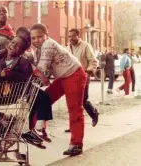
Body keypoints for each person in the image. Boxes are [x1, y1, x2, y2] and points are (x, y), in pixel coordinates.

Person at [31, 24, 87, 156]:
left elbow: (41, 68)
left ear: (47, 35)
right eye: (33, 38)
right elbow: (42, 73)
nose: (36, 40)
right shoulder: (39, 50)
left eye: (39, 36)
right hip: (63, 77)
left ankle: (76, 144)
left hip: (74, 75)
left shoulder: (48, 44)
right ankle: (40, 130)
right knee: (44, 98)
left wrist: (31, 71)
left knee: (74, 109)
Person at [66, 28, 99, 132]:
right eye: (69, 36)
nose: (71, 38)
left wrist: (88, 73)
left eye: (73, 36)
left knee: (83, 101)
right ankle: (73, 125)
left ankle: (94, 113)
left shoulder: (85, 46)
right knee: (73, 103)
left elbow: (93, 60)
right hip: (71, 78)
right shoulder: (68, 48)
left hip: (83, 77)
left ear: (78, 36)